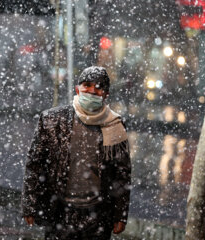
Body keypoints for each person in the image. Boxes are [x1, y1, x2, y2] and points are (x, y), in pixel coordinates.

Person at [22, 66, 131, 240]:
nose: (92, 91)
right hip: (59, 212)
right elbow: (35, 164)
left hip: (98, 216)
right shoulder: (52, 120)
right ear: (77, 88)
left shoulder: (115, 126)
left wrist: (120, 215)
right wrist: (30, 204)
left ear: (106, 94)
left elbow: (122, 175)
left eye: (99, 86)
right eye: (87, 85)